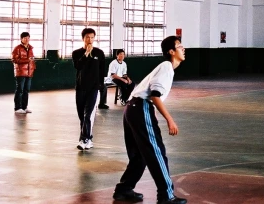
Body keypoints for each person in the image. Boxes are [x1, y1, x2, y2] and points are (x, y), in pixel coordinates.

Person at [113, 36, 188, 204]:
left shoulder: (166, 68)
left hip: (132, 109)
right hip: (140, 108)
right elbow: (155, 96)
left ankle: (124, 189)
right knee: (156, 152)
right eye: (180, 46)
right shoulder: (167, 66)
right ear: (171, 51)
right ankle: (166, 196)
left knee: (140, 155)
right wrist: (170, 119)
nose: (183, 49)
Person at [72, 28, 105, 150]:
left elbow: (102, 71)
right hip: (81, 88)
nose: (90, 40)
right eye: (87, 37)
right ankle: (88, 139)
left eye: (92, 37)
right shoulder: (76, 53)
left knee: (88, 115)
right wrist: (86, 54)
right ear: (83, 38)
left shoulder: (99, 53)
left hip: (93, 89)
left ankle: (84, 139)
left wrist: (101, 86)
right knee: (82, 116)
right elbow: (78, 66)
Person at [11, 31, 36, 114]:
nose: (27, 39)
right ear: (21, 39)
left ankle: (24, 107)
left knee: (26, 90)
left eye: (28, 38)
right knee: (20, 90)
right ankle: (17, 108)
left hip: (29, 72)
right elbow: (14, 60)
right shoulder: (17, 48)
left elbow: (32, 59)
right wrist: (27, 61)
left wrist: (33, 67)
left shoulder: (31, 48)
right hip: (20, 72)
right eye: (25, 38)